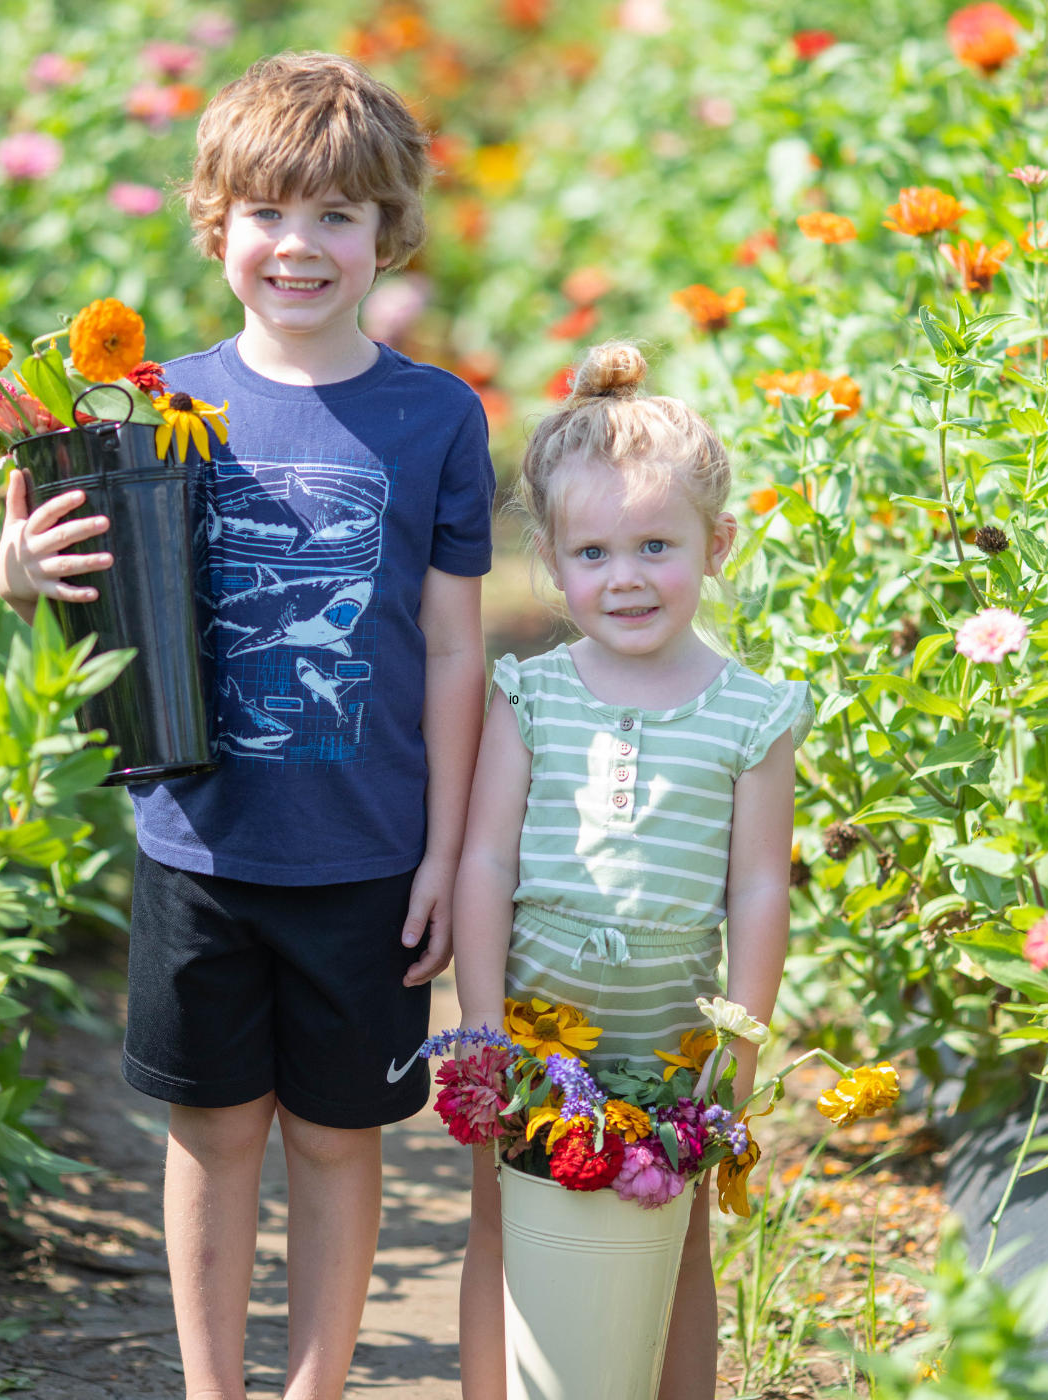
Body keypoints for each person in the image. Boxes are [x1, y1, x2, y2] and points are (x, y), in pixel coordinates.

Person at [0, 53, 495, 1400]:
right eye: (269, 211)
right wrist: (18, 565)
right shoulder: (150, 409)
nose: (300, 245)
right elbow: (64, 582)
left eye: (338, 215)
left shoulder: (435, 417)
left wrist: (445, 853)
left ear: (390, 230)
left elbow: (455, 646)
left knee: (336, 1138)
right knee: (212, 1135)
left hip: (367, 857)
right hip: (197, 849)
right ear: (217, 223)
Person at [452, 341, 811, 1399]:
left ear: (716, 544)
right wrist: (481, 1021)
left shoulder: (750, 713)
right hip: (536, 1022)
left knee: (676, 1231)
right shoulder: (534, 693)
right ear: (552, 562)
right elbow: (486, 857)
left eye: (657, 545)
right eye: (594, 551)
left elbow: (758, 886)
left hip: (672, 1032)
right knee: (501, 1218)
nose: (625, 576)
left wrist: (741, 1042)